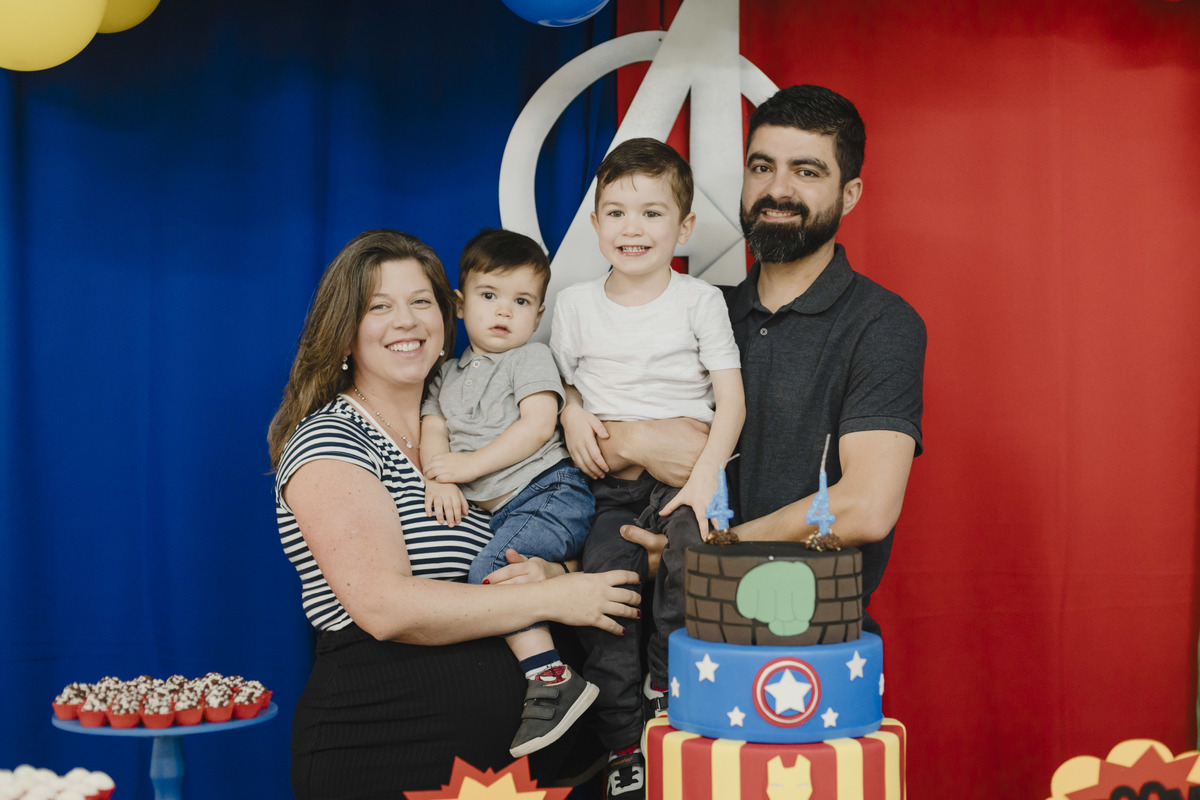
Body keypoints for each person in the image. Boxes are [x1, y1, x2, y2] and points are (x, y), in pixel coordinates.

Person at [266, 229, 641, 798]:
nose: (407, 321)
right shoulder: (333, 439)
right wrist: (555, 598)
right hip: (387, 746)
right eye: (379, 307)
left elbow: (529, 546)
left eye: (421, 302)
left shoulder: (471, 437)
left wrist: (556, 574)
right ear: (344, 333)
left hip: (509, 774)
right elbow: (385, 607)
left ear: (447, 317)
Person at [583, 84, 926, 642]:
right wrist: (636, 442)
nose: (778, 190)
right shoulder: (696, 309)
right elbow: (592, 420)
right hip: (651, 643)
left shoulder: (880, 324)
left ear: (851, 193)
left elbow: (864, 507)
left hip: (801, 641)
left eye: (807, 172)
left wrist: (700, 553)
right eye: (761, 167)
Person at [550, 138, 745, 799]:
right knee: (606, 596)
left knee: (689, 572)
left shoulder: (698, 302)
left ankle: (669, 696)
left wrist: (703, 480)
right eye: (617, 212)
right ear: (596, 223)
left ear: (684, 226)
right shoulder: (575, 304)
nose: (633, 229)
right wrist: (574, 411)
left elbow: (732, 401)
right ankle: (621, 740)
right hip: (609, 486)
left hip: (689, 474)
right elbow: (563, 387)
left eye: (652, 213)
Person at [420, 228, 598, 758]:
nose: (504, 311)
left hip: (550, 491)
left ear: (537, 315)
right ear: (459, 303)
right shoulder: (443, 376)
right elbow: (433, 433)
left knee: (490, 571)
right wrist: (437, 476)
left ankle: (554, 680)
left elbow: (538, 426)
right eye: (489, 295)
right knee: (507, 571)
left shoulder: (529, 360)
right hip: (512, 507)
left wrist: (468, 466)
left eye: (521, 301)